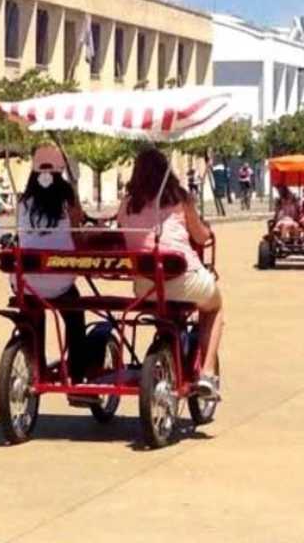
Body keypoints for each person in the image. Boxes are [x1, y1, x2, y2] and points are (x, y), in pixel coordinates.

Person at [117, 146, 224, 400]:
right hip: (183, 280)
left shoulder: (129, 203)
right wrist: (206, 232)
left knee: (166, 298)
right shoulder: (180, 198)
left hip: (146, 287)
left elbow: (123, 233)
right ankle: (207, 373)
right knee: (215, 307)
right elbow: (200, 235)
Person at [13, 145, 92, 380]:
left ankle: (38, 365)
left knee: (35, 312)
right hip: (60, 282)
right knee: (75, 317)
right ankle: (77, 373)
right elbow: (77, 234)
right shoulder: (68, 198)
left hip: (27, 283)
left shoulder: (22, 202)